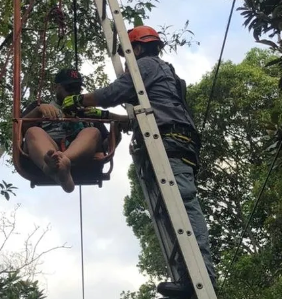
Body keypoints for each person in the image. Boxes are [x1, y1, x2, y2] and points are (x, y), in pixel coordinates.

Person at [60, 26, 217, 291]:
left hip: (169, 140)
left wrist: (80, 100)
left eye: (128, 53)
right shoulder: (163, 77)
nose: (126, 59)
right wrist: (105, 117)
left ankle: (201, 278)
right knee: (172, 210)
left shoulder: (145, 65)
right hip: (174, 138)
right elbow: (137, 116)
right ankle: (188, 279)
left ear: (139, 48)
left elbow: (112, 94)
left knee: (183, 205)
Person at [21, 68, 127, 193]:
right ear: (57, 87)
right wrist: (38, 111)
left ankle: (61, 163)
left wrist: (115, 131)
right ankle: (51, 166)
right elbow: (21, 131)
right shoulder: (40, 106)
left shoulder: (88, 112)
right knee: (33, 132)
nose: (73, 93)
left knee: (92, 132)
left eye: (77, 89)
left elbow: (105, 146)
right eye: (69, 88)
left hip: (79, 152)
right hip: (47, 147)